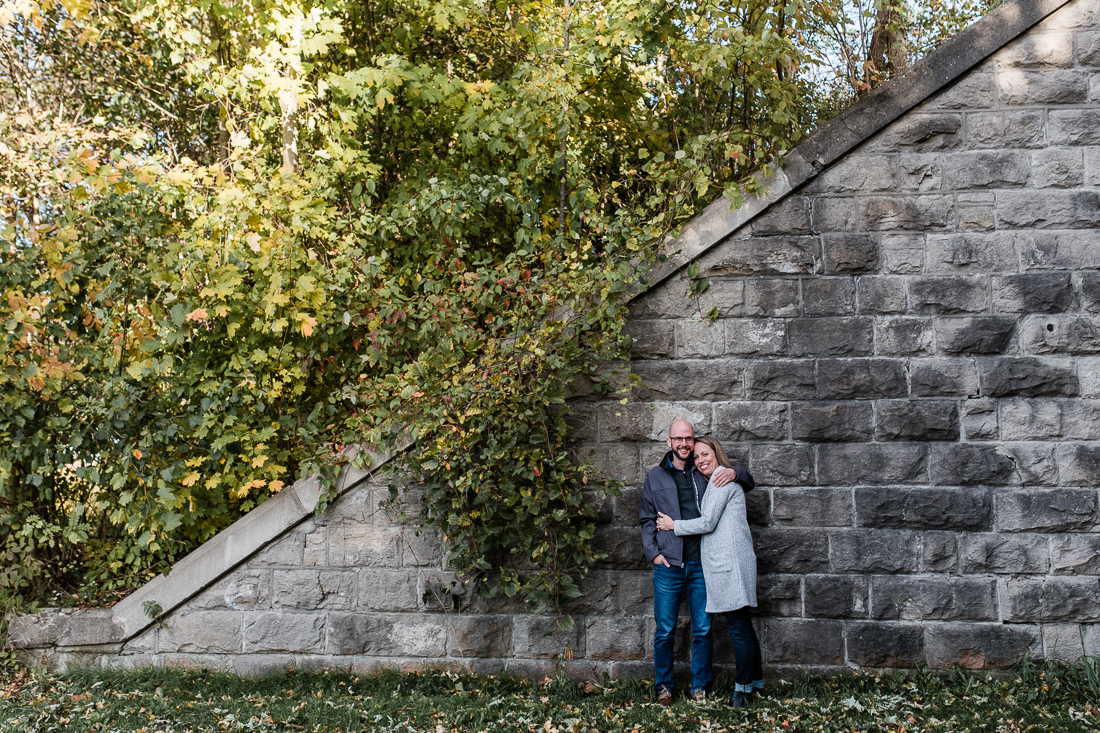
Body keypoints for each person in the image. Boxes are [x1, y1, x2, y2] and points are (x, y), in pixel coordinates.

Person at [639, 420, 754, 705]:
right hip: (669, 566)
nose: (685, 444)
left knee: (703, 630)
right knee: (665, 630)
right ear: (669, 442)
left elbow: (746, 481)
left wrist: (735, 470)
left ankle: (699, 687)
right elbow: (645, 520)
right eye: (679, 439)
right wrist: (654, 553)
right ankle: (664, 687)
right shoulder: (655, 477)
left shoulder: (703, 472)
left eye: (688, 438)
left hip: (702, 565)